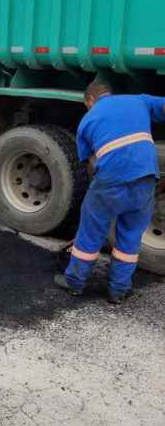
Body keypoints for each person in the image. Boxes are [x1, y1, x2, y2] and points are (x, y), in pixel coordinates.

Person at [55, 82, 165, 303]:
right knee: (131, 236)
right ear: (109, 94)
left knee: (90, 232)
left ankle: (75, 282)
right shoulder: (138, 100)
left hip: (111, 180)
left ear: (89, 101)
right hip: (146, 178)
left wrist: (95, 202)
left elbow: (91, 165)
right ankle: (118, 291)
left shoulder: (87, 120)